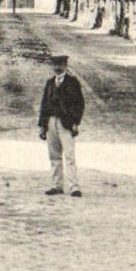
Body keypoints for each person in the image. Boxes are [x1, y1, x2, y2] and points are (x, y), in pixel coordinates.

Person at [38, 53, 85, 196]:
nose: (57, 67)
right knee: (54, 155)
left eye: (60, 64)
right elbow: (44, 104)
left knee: (69, 155)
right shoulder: (50, 83)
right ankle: (56, 185)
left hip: (66, 123)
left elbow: (80, 104)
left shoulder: (73, 82)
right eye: (55, 65)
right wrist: (42, 125)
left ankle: (73, 187)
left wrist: (76, 122)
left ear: (65, 66)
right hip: (51, 121)